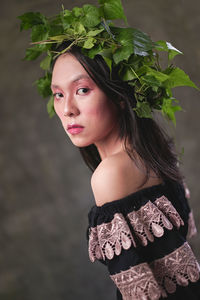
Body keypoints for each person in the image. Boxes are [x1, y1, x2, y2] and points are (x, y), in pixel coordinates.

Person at [19, 1, 200, 298]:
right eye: (58, 94)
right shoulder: (153, 151)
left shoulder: (111, 174)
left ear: (119, 94)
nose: (67, 109)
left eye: (82, 90)